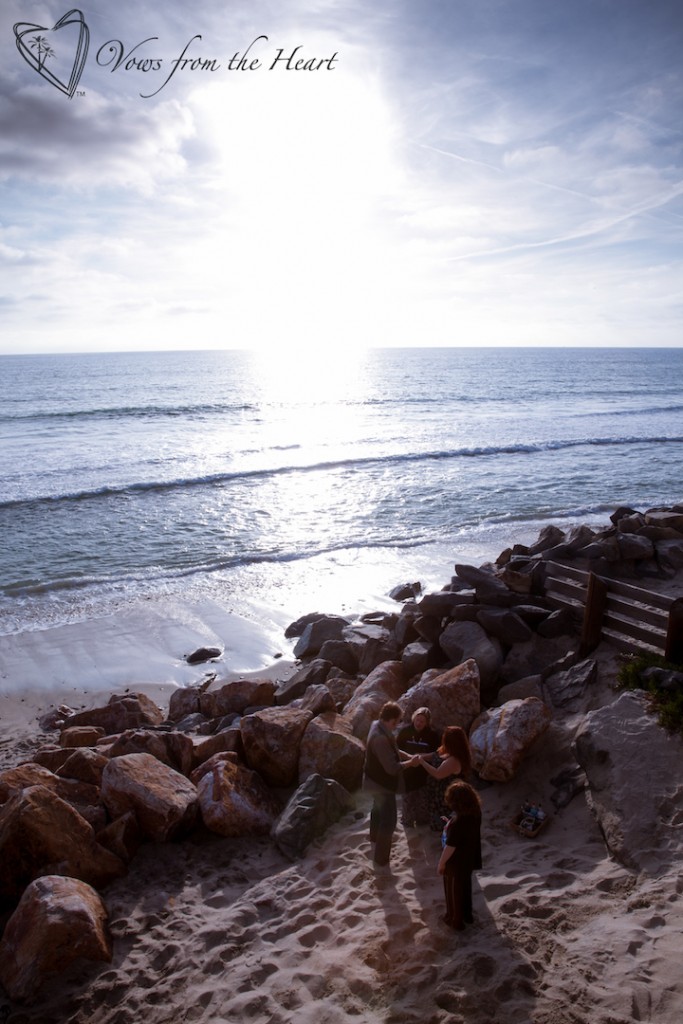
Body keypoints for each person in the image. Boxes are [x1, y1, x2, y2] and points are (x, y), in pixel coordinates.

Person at [363, 701, 408, 867]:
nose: (398, 725)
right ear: (392, 719)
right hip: (381, 784)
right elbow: (391, 768)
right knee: (389, 821)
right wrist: (411, 764)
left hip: (372, 779)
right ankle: (381, 859)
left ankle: (374, 838)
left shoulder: (377, 724)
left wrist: (408, 756)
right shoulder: (380, 738)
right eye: (398, 721)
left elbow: (393, 750)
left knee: (377, 810)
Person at [437, 780, 482, 930]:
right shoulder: (476, 812)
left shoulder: (458, 822)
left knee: (453, 891)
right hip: (469, 857)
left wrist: (441, 864)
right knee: (465, 887)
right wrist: (450, 822)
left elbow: (450, 847)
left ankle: (455, 921)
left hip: (455, 863)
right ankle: (467, 915)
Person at [414, 725, 472, 830]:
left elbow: (438, 774)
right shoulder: (445, 751)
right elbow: (432, 755)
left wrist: (422, 762)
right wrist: (415, 757)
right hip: (435, 795)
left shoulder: (454, 760)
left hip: (444, 799)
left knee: (444, 825)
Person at [397, 707, 441, 827]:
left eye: (422, 721)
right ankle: (408, 822)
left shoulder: (432, 735)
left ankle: (422, 822)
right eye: (417, 720)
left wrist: (422, 757)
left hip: (424, 774)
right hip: (407, 773)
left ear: (427, 723)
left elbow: (437, 754)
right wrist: (409, 758)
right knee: (407, 802)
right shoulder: (405, 731)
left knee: (423, 802)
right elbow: (396, 749)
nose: (419, 723)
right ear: (413, 718)